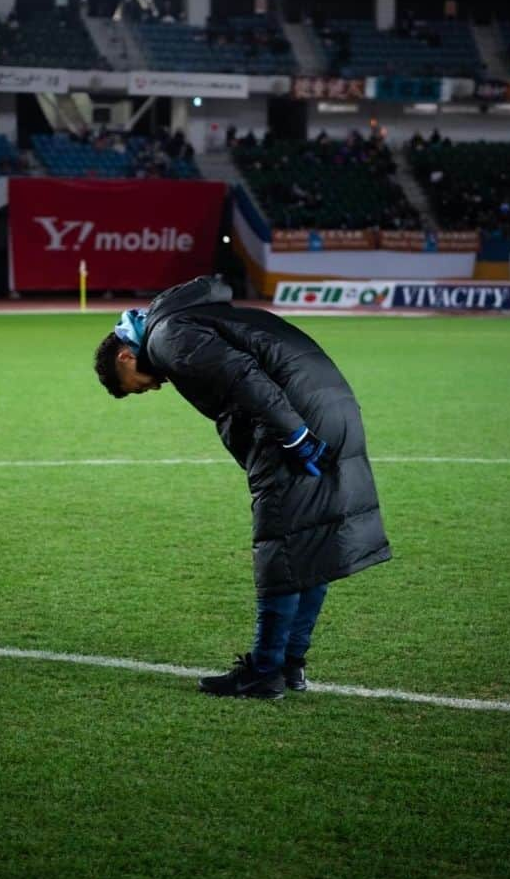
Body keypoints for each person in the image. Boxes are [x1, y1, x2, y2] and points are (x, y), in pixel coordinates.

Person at [93, 275, 390, 700]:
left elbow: (242, 377)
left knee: (283, 543)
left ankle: (265, 672)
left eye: (138, 386)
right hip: (333, 403)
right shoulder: (189, 318)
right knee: (310, 539)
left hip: (295, 416)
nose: (154, 386)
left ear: (125, 357)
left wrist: (294, 434)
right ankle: (290, 666)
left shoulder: (167, 337)